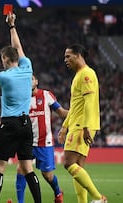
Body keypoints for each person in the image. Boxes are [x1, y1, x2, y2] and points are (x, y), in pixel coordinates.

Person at [0, 13, 41, 203]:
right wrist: (12, 26)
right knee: (28, 168)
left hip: (10, 124)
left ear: (4, 58)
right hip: (26, 123)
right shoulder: (27, 67)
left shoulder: (3, 76)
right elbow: (19, 47)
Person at [0, 74, 67, 203]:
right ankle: (20, 201)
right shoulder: (22, 98)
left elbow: (61, 112)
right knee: (21, 169)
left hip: (44, 141)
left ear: (36, 81)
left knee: (47, 175)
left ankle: (57, 192)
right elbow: (14, 119)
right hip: (26, 140)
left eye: (31, 79)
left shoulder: (46, 95)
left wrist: (75, 116)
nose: (29, 82)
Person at [58, 44, 107, 203]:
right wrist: (65, 126)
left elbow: (89, 102)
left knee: (68, 163)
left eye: (68, 56)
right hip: (78, 124)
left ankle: (99, 198)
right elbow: (75, 106)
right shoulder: (79, 75)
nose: (65, 60)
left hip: (81, 125)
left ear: (78, 55)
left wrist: (85, 127)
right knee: (77, 166)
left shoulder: (86, 74)